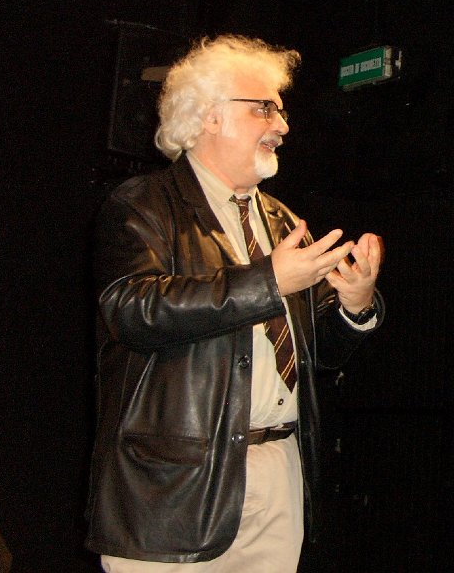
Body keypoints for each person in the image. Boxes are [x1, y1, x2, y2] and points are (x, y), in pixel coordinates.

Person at [85, 35, 384, 572]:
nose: (282, 125)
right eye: (264, 108)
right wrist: (268, 281)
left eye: (281, 110)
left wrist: (354, 305)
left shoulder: (282, 221)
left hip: (278, 475)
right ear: (210, 116)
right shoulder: (144, 204)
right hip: (175, 485)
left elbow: (317, 355)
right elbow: (133, 310)